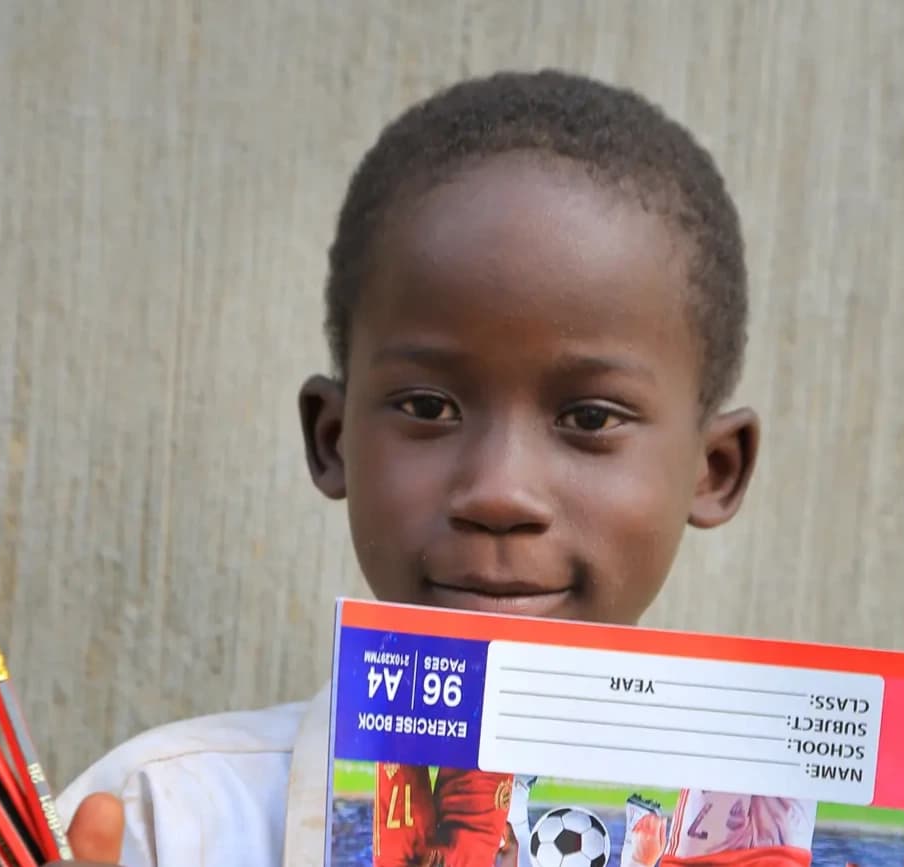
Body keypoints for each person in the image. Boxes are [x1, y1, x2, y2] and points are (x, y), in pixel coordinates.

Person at [50, 68, 787, 866]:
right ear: (332, 439)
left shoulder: (761, 834)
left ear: (714, 470)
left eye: (589, 419)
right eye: (429, 408)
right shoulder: (157, 820)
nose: (500, 491)